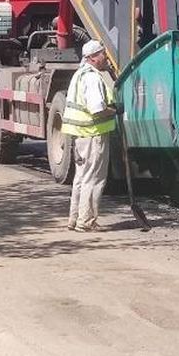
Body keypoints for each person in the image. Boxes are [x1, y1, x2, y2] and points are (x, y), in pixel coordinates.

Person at [63, 39, 116, 232]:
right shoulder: (93, 78)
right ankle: (86, 222)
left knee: (81, 178)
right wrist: (114, 111)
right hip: (94, 134)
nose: (105, 57)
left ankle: (74, 218)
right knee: (94, 179)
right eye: (102, 53)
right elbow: (97, 109)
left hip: (81, 136)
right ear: (93, 57)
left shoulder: (79, 74)